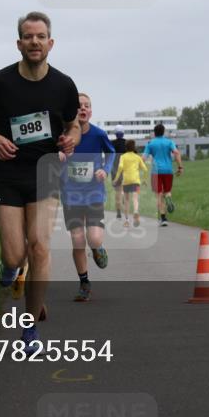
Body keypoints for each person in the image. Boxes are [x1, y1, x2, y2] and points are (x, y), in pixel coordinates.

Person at [0, 11, 80, 355]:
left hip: (45, 172)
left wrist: (71, 138)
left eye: (41, 36)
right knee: (15, 254)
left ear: (51, 43)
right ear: (19, 43)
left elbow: (73, 124)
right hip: (8, 173)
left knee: (40, 246)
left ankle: (28, 327)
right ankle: (10, 268)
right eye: (28, 37)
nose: (35, 42)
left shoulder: (63, 85)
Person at [59, 93, 115, 302]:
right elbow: (51, 156)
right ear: (72, 111)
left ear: (91, 111)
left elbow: (110, 154)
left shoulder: (99, 134)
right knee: (77, 240)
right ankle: (84, 282)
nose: (83, 109)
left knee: (94, 238)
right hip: (71, 195)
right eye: (79, 106)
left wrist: (105, 171)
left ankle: (98, 248)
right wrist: (59, 156)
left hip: (93, 193)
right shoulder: (64, 136)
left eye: (87, 106)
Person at [142, 123, 183, 226]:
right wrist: (180, 167)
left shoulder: (150, 143)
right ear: (163, 132)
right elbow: (176, 153)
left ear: (154, 133)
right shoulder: (169, 142)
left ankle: (163, 218)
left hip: (156, 171)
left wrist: (142, 170)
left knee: (158, 195)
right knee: (167, 191)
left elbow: (143, 158)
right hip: (168, 170)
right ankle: (168, 197)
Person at [113, 138, 149, 227]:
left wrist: (116, 179)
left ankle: (127, 221)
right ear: (134, 147)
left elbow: (120, 167)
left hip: (126, 182)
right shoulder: (137, 157)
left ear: (126, 147)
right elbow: (145, 169)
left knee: (126, 201)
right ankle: (136, 211)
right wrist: (144, 179)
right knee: (135, 199)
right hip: (136, 181)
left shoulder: (123, 157)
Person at [110, 125, 126, 220]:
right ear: (123, 133)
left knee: (117, 191)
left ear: (115, 134)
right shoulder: (127, 143)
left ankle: (118, 212)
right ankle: (124, 195)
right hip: (125, 169)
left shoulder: (111, 144)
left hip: (115, 170)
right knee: (123, 190)